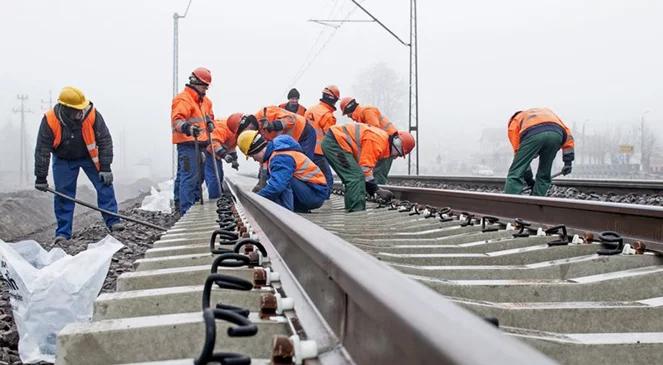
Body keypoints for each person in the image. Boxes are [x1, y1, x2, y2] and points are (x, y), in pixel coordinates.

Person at [34, 86, 123, 245]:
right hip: (63, 160)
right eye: (77, 110)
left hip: (89, 157)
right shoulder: (50, 120)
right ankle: (63, 233)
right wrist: (40, 177)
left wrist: (106, 167)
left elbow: (105, 141)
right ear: (66, 109)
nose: (81, 112)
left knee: (105, 184)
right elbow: (42, 150)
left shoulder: (92, 114)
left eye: (82, 108)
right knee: (63, 194)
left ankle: (113, 221)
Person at [321, 122, 415, 212]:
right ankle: (356, 213)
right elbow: (365, 169)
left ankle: (353, 208)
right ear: (397, 145)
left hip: (337, 142)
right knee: (355, 177)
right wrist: (376, 190)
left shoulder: (382, 142)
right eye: (398, 154)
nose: (395, 157)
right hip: (335, 143)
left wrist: (374, 190)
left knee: (354, 176)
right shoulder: (378, 142)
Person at [171, 67, 222, 214]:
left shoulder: (205, 101)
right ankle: (185, 210)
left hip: (201, 144)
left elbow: (209, 116)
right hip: (187, 145)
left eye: (207, 86)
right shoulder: (183, 99)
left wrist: (211, 123)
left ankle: (190, 205)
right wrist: (187, 128)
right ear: (195, 82)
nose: (205, 89)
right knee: (189, 177)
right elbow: (177, 120)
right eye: (204, 86)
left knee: (196, 177)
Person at [237, 131, 328, 212]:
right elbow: (266, 184)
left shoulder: (280, 157)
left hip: (315, 194)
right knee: (277, 178)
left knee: (281, 180)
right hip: (309, 190)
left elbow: (277, 186)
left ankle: (286, 211)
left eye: (252, 156)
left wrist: (257, 199)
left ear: (256, 150)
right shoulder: (274, 154)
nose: (255, 160)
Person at [503, 107, 575, 196]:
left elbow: (520, 157)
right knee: (544, 174)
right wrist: (568, 162)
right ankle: (536, 201)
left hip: (533, 133)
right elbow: (568, 137)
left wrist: (529, 179)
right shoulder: (547, 113)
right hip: (556, 134)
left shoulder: (514, 122)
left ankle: (510, 202)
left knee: (516, 173)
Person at [339, 97, 399, 185]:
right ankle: (374, 193)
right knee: (373, 172)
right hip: (382, 145)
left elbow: (374, 132)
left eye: (348, 114)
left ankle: (378, 195)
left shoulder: (367, 111)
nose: (349, 117)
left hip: (387, 146)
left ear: (350, 109)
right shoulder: (362, 116)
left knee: (378, 174)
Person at [235, 106, 317, 159]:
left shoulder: (266, 112)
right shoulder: (257, 134)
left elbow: (291, 120)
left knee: (303, 163)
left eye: (245, 131)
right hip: (292, 142)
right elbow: (265, 151)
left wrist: (273, 125)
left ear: (246, 125)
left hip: (304, 133)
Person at [305, 85, 340, 197]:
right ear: (333, 99)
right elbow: (331, 137)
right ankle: (323, 200)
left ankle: (311, 196)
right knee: (327, 179)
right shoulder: (327, 115)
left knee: (311, 177)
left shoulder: (310, 110)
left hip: (306, 150)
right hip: (319, 152)